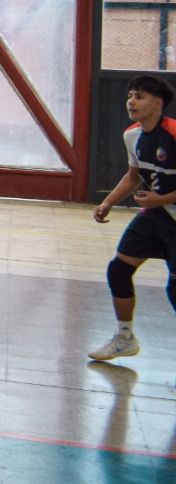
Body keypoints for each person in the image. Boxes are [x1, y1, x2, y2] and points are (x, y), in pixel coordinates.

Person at [89, 74, 176, 362]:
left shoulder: (173, 134)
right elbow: (132, 176)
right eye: (130, 96)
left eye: (140, 97)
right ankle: (124, 338)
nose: (131, 102)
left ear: (158, 104)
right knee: (118, 270)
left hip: (168, 213)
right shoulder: (132, 135)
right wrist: (108, 202)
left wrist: (160, 198)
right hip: (155, 216)